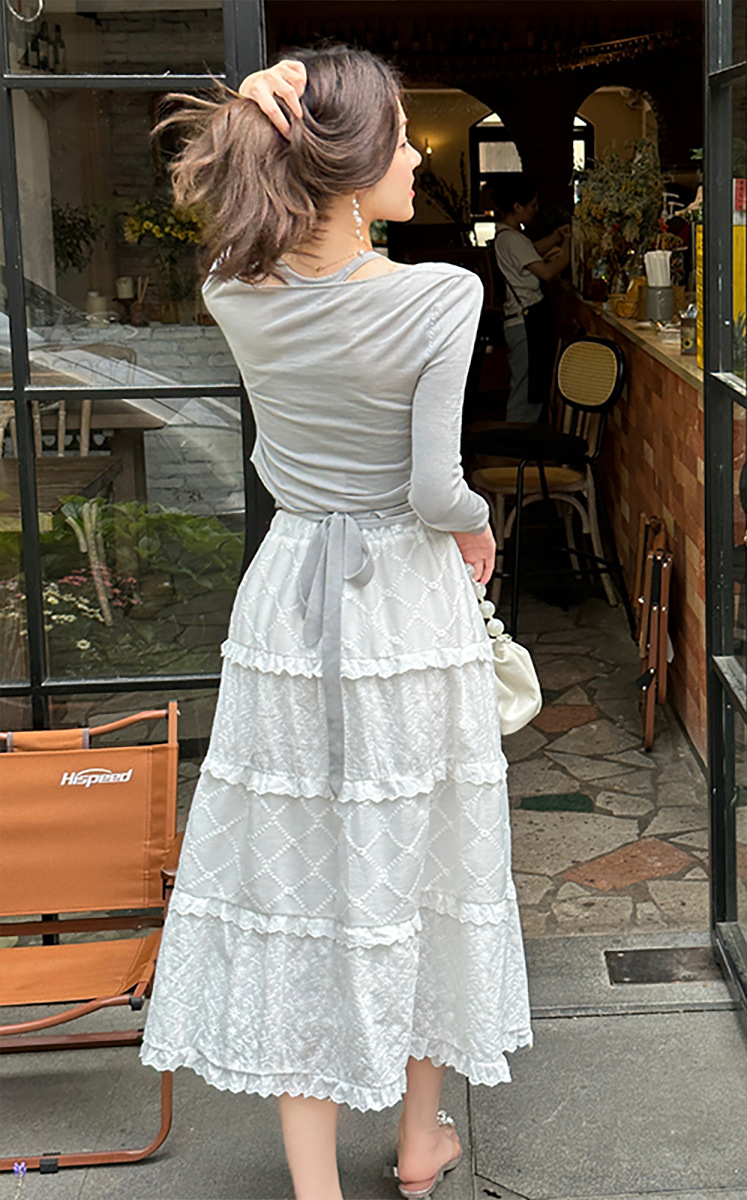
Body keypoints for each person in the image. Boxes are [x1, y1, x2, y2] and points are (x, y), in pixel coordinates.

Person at [138, 48, 532, 1200]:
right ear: (352, 172)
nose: (416, 154)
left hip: (290, 590)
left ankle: (317, 1192)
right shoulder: (439, 294)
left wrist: (267, 91)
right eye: (402, 137)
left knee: (296, 880)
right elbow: (431, 488)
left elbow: (233, 216)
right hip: (402, 600)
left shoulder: (229, 288)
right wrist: (475, 530)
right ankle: (419, 1149)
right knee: (421, 862)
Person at [489, 174, 571, 422]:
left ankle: (519, 445)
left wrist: (557, 237)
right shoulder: (511, 239)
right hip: (525, 323)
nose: (536, 210)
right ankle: (517, 447)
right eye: (533, 205)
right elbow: (545, 272)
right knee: (526, 391)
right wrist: (570, 246)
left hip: (521, 320)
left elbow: (531, 252)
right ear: (517, 207)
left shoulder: (508, 236)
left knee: (527, 387)